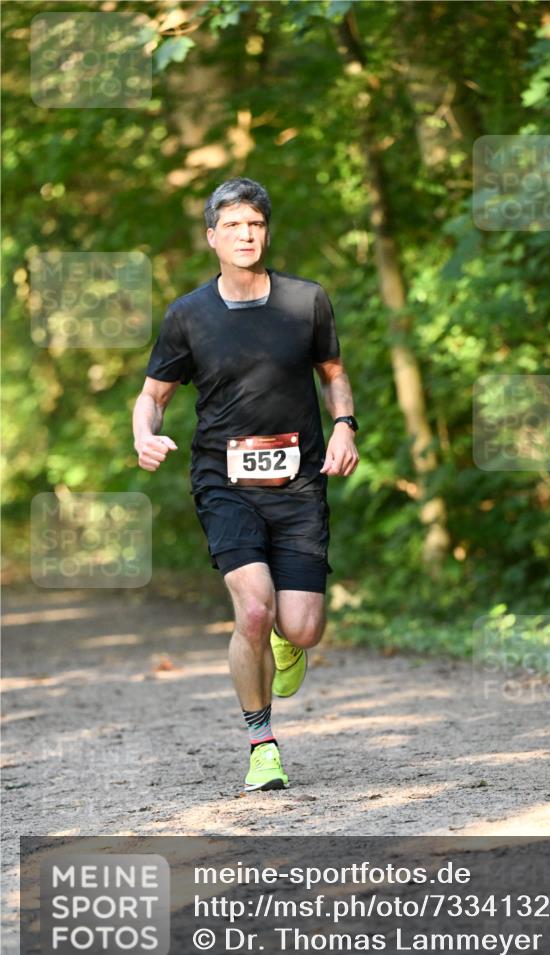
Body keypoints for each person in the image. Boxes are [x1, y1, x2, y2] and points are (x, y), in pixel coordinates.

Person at [132, 177, 359, 792]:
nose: (245, 235)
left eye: (255, 224)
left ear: (267, 232)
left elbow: (334, 373)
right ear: (213, 237)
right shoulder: (188, 314)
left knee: (302, 626)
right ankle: (262, 743)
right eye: (232, 225)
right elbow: (152, 397)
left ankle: (290, 643)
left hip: (299, 481)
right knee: (254, 608)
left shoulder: (306, 301)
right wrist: (144, 434)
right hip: (223, 480)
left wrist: (344, 427)